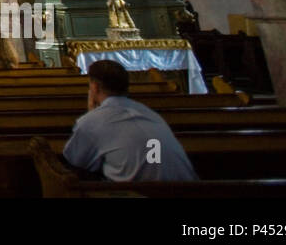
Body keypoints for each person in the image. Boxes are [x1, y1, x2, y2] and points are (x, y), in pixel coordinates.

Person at [62, 59, 198, 182]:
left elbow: (75, 162)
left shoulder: (91, 122)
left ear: (95, 87)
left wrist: (92, 114)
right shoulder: (150, 114)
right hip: (190, 190)